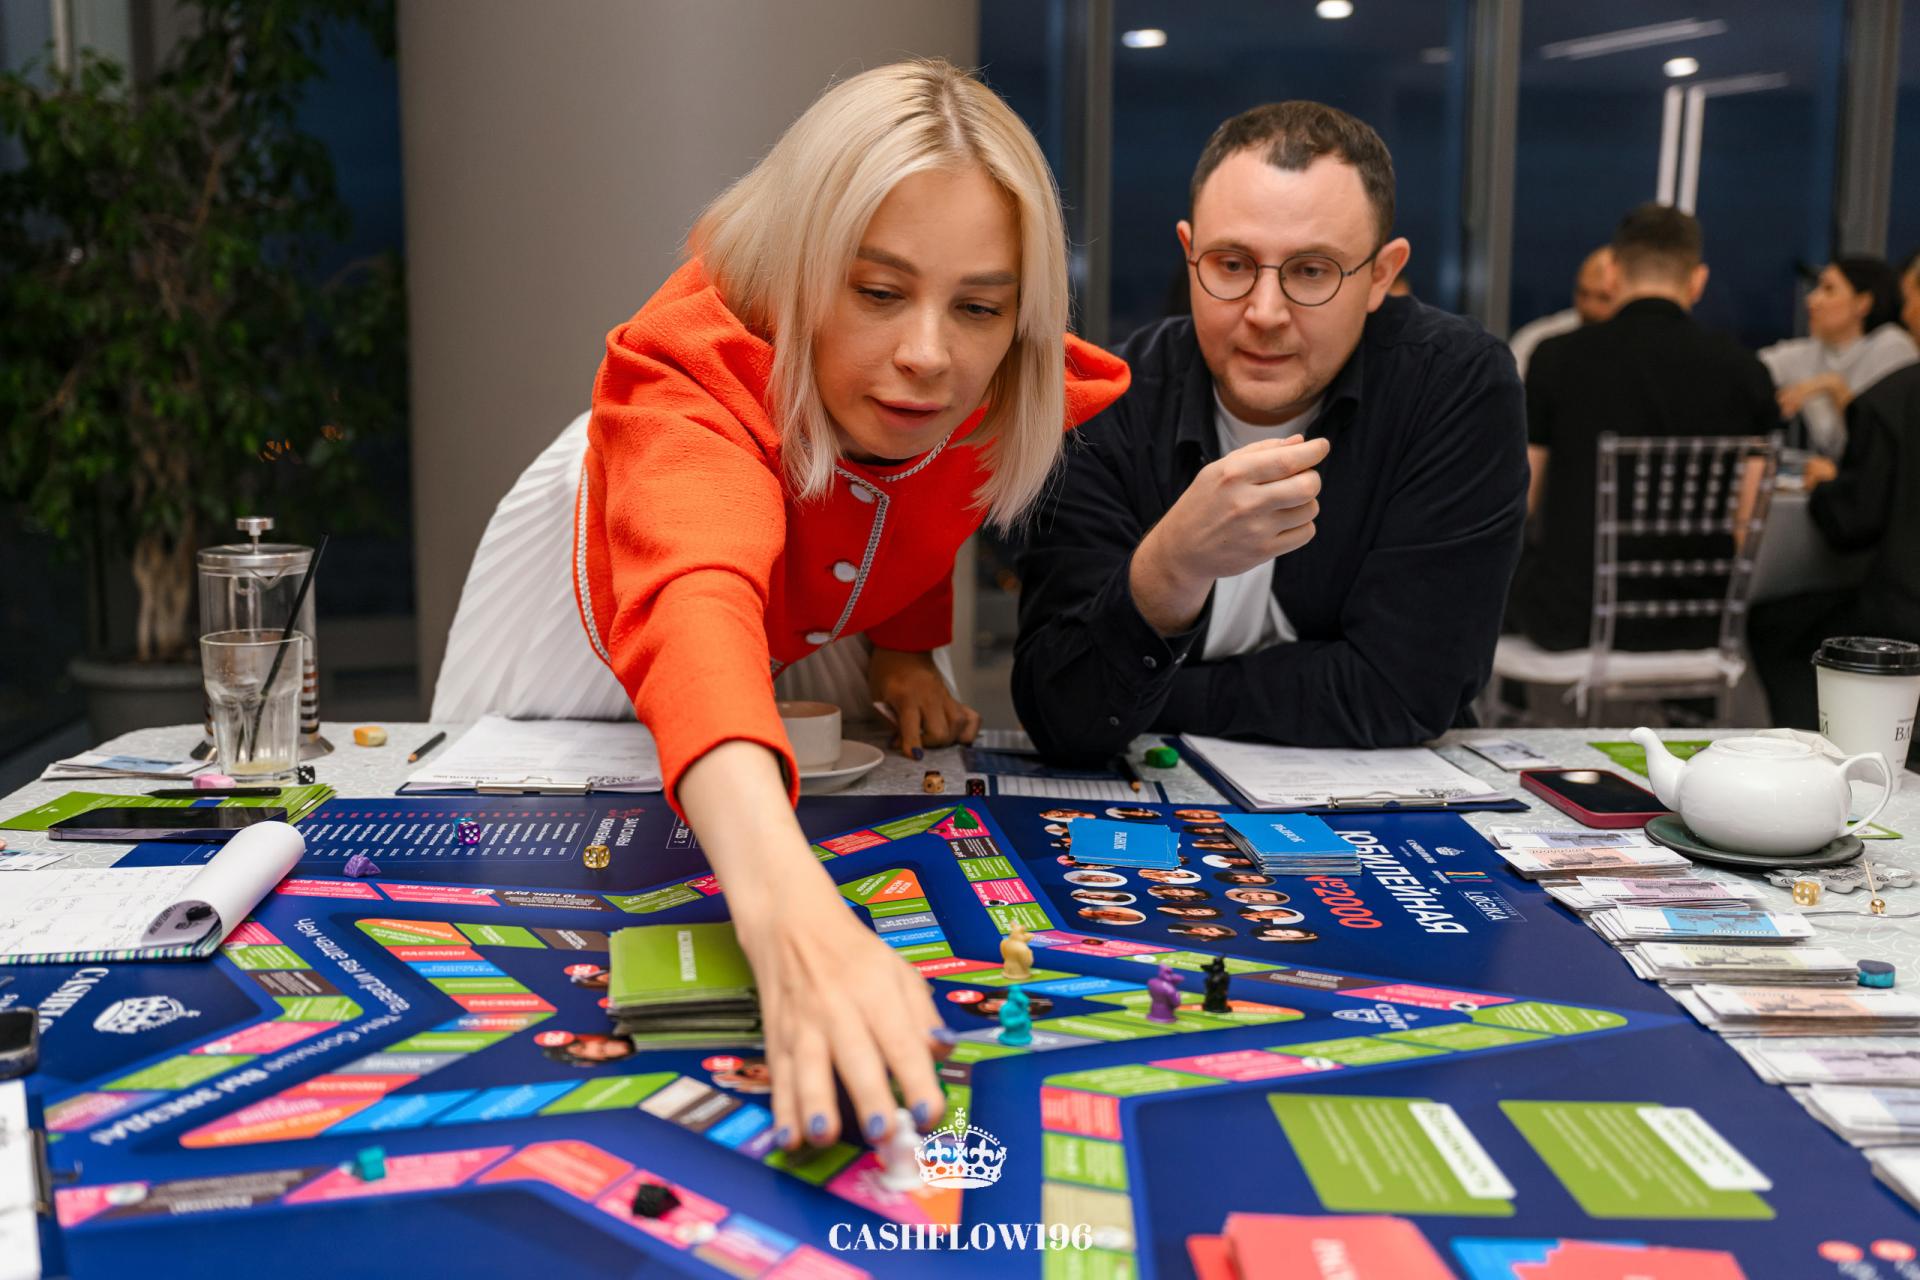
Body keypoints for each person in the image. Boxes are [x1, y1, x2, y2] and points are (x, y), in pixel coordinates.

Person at [574, 61, 1128, 1152]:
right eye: (878, 291)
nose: (929, 354)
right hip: (600, 623)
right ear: (797, 267)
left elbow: (926, 497)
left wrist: (905, 650)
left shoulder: (986, 385)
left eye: (978, 306)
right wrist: (790, 914)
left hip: (805, 625)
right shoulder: (693, 371)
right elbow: (695, 604)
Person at [1012, 101, 1527, 762]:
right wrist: (1171, 567)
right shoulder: (1104, 405)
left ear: (1381, 276)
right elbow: (1062, 714)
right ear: (1189, 254)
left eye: (1311, 271)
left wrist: (1158, 692)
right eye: (1231, 264)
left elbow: (1406, 694)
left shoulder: (1452, 385)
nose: (1264, 312)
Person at [1508, 204, 1779, 653]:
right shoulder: (1746, 371)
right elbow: (1749, 524)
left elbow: (1521, 497)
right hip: (1698, 622)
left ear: (1612, 273)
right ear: (1698, 280)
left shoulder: (1557, 358)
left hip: (1571, 618)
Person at [1749, 356, 1920, 738]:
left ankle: (1823, 752)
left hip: (1901, 619)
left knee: (1777, 629)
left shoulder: (1896, 397)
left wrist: (1828, 486)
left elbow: (1852, 523)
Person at [1760, 257, 1918, 457]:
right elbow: (1748, 369)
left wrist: (1832, 385)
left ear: (1863, 303)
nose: (1811, 300)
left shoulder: (1892, 346)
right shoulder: (1810, 351)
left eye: (1829, 289)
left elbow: (1879, 439)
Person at [1508, 247, 1617, 379]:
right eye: (1583, 293)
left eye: (1604, 298)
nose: (1590, 307)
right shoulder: (1536, 339)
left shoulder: (1635, 350)